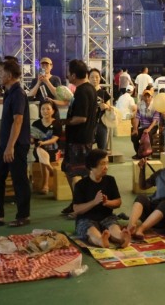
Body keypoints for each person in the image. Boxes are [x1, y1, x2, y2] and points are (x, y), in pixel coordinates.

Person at [0, 60, 31, 227]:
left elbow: (18, 121)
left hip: (16, 145)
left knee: (19, 180)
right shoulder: (8, 92)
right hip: (6, 144)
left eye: (2, 73)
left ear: (10, 75)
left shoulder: (18, 93)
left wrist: (10, 146)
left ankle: (23, 216)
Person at [60, 59, 98, 217]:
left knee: (79, 173)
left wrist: (62, 122)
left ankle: (82, 205)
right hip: (79, 139)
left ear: (74, 75)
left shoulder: (83, 91)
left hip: (80, 140)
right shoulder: (86, 89)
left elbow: (81, 118)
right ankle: (77, 202)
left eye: (69, 72)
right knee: (69, 170)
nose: (67, 75)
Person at [72, 149, 130, 248]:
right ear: (92, 166)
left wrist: (107, 202)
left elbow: (118, 202)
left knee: (114, 228)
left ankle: (122, 238)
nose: (106, 167)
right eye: (102, 164)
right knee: (91, 231)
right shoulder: (81, 185)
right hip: (86, 219)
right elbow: (76, 209)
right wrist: (94, 202)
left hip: (106, 216)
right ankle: (100, 240)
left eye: (107, 163)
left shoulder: (110, 180)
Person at [127, 145, 165, 239]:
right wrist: (142, 169)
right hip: (151, 211)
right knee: (141, 197)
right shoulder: (161, 172)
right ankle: (130, 227)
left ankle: (141, 229)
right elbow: (143, 186)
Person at [31, 100, 61, 194]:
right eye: (42, 109)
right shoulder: (35, 124)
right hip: (39, 149)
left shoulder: (57, 123)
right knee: (39, 150)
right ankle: (49, 167)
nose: (45, 111)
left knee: (41, 156)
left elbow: (54, 139)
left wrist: (44, 143)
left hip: (53, 150)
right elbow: (32, 140)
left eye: (48, 109)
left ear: (53, 111)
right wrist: (30, 139)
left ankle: (45, 185)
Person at [131, 88, 161, 160]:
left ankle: (148, 155)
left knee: (148, 135)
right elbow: (137, 118)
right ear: (143, 97)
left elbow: (155, 120)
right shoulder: (140, 105)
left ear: (151, 97)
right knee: (134, 136)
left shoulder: (155, 106)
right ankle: (139, 153)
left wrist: (148, 129)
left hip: (152, 126)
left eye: (149, 96)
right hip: (142, 126)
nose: (147, 98)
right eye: (145, 96)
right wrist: (135, 129)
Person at [88, 68, 112, 150]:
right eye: (92, 77)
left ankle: (102, 162)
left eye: (97, 77)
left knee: (102, 149)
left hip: (101, 124)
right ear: (88, 78)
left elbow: (110, 108)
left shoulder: (104, 93)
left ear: (100, 78)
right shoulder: (85, 92)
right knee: (88, 148)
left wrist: (106, 106)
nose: (94, 79)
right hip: (88, 124)